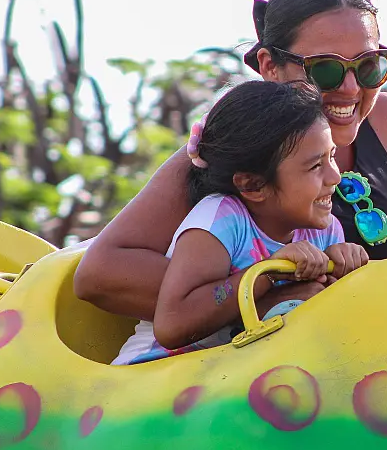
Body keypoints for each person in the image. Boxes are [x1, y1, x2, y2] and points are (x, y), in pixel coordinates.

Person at [74, 0, 387, 323]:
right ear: (269, 66)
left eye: (369, 66)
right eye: (326, 71)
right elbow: (102, 274)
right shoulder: (233, 148)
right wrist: (269, 286)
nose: (351, 88)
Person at [111, 80, 367, 365]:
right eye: (315, 166)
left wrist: (345, 268)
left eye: (332, 157)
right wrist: (268, 275)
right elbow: (173, 325)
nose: (335, 177)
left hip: (241, 376)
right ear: (253, 185)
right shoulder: (220, 220)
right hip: (157, 375)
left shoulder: (326, 228)